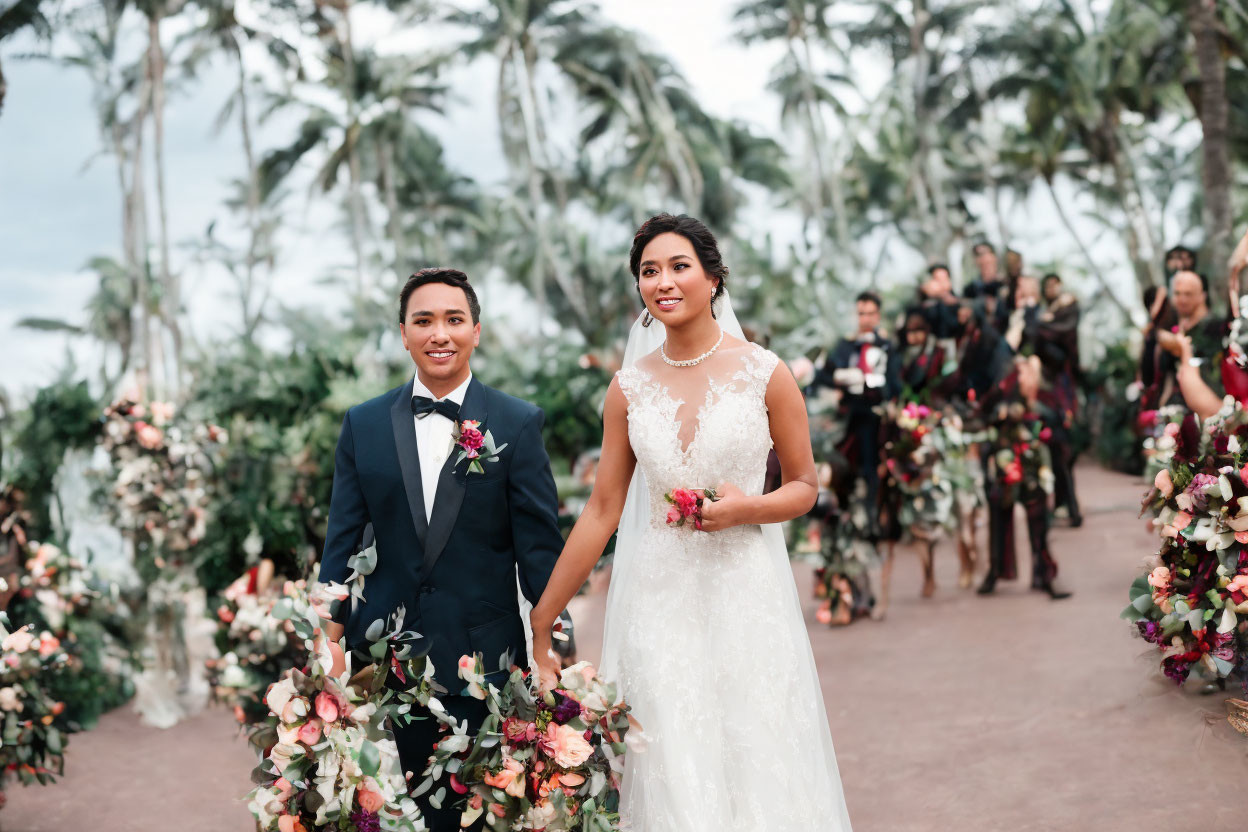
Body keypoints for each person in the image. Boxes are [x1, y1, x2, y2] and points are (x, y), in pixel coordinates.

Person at [528, 214, 853, 831]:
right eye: (649, 271)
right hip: (659, 602)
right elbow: (602, 511)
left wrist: (746, 509)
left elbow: (806, 487)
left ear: (713, 279)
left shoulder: (765, 372)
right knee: (673, 764)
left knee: (759, 756)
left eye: (679, 266)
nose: (663, 281)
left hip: (746, 595)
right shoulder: (627, 388)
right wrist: (544, 618)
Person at [317, 268, 568, 832]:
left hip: (487, 662)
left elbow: (539, 553)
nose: (440, 333)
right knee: (392, 814)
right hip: (387, 667)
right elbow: (341, 544)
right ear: (403, 333)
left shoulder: (517, 422)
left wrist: (554, 644)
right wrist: (325, 641)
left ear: (476, 330)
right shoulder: (363, 425)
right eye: (423, 321)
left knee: (483, 818)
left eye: (454, 320)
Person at [976, 356, 1072, 600]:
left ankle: (1045, 574)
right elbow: (984, 411)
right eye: (1020, 373)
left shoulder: (1044, 393)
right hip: (1006, 462)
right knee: (999, 515)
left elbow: (1056, 419)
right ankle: (995, 570)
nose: (1025, 377)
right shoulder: (1003, 391)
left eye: (1029, 373)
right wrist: (1003, 412)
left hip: (1033, 465)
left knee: (1038, 519)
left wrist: (1033, 416)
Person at [808, 291, 900, 537]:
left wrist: (876, 387)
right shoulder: (845, 345)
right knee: (836, 461)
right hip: (847, 414)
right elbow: (826, 374)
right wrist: (838, 380)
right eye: (861, 313)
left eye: (870, 314)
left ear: (878, 315)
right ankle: (837, 515)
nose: (866, 318)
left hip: (873, 415)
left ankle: (872, 517)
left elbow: (894, 381)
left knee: (871, 464)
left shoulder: (887, 346)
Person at [1155, 270, 1226, 408]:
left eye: (1188, 294)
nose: (1182, 299)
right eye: (1177, 293)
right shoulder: (1178, 330)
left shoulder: (1217, 327)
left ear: (1202, 296)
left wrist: (1181, 347)